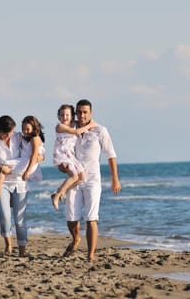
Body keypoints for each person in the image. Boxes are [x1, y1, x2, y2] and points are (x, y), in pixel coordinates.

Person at [62, 99, 121, 262]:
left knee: (91, 218)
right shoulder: (70, 130)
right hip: (74, 179)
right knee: (71, 218)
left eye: (85, 112)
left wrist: (115, 179)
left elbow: (111, 155)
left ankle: (90, 255)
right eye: (79, 112)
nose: (82, 115)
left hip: (92, 180)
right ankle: (75, 239)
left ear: (91, 113)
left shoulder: (100, 131)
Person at [0, 115, 44, 257]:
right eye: (5, 133)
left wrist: (39, 158)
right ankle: (8, 246)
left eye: (11, 133)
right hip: (2, 184)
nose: (9, 136)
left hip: (20, 182)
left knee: (20, 219)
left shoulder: (18, 136)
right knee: (5, 216)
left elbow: (36, 149)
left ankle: (22, 251)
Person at [0, 115, 45, 201]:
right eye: (23, 128)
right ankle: (9, 196)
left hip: (29, 162)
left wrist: (27, 171)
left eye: (27, 129)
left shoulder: (34, 138)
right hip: (25, 161)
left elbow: (34, 155)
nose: (25, 131)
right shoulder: (24, 138)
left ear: (34, 128)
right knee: (4, 168)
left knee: (3, 166)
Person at [50, 104, 96, 210]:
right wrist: (90, 125)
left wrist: (91, 123)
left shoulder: (74, 124)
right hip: (62, 154)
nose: (64, 117)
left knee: (82, 176)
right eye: (62, 115)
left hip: (71, 155)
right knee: (74, 176)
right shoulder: (60, 126)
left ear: (72, 116)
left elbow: (82, 123)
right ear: (59, 117)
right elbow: (76, 132)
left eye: (67, 115)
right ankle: (57, 195)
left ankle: (59, 192)